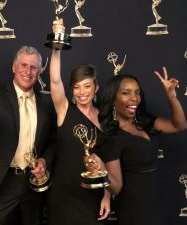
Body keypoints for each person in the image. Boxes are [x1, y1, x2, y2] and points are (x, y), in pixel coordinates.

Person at [0, 45, 56, 225]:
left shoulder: (46, 102)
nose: (28, 71)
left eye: (33, 67)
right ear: (14, 68)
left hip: (32, 181)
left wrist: (44, 161)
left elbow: (53, 141)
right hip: (0, 182)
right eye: (23, 65)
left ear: (39, 72)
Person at [97, 67, 187, 225]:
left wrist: (172, 97)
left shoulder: (145, 122)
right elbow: (116, 187)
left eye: (137, 92)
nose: (135, 98)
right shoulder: (112, 137)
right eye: (126, 93)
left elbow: (178, 125)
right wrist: (100, 172)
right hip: (136, 208)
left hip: (159, 199)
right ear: (112, 99)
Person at [45, 19, 110, 225]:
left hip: (92, 195)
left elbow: (110, 161)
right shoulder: (65, 110)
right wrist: (57, 44)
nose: (81, 92)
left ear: (96, 88)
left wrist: (108, 195)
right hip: (63, 195)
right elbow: (55, 80)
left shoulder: (105, 119)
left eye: (87, 86)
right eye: (76, 87)